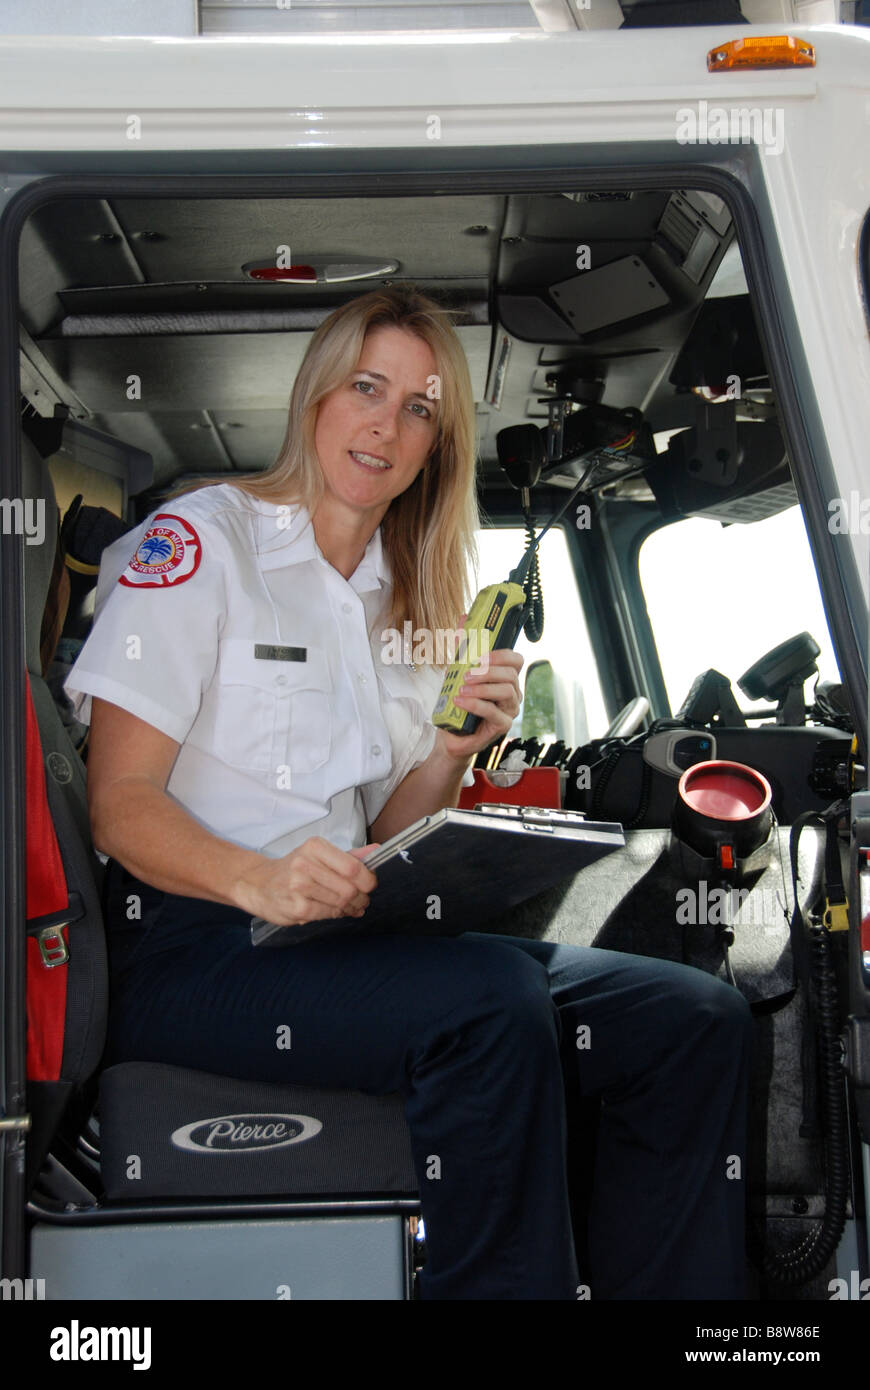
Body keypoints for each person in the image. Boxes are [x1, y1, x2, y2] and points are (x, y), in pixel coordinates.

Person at [66, 285, 753, 1300]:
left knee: (695, 1018)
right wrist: (258, 879)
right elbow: (117, 803)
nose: (386, 425)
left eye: (420, 408)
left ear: (437, 442)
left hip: (332, 936)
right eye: (367, 389)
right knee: (490, 1001)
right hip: (192, 943)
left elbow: (382, 828)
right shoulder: (204, 544)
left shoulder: (400, 597)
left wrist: (452, 754)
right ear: (315, 401)